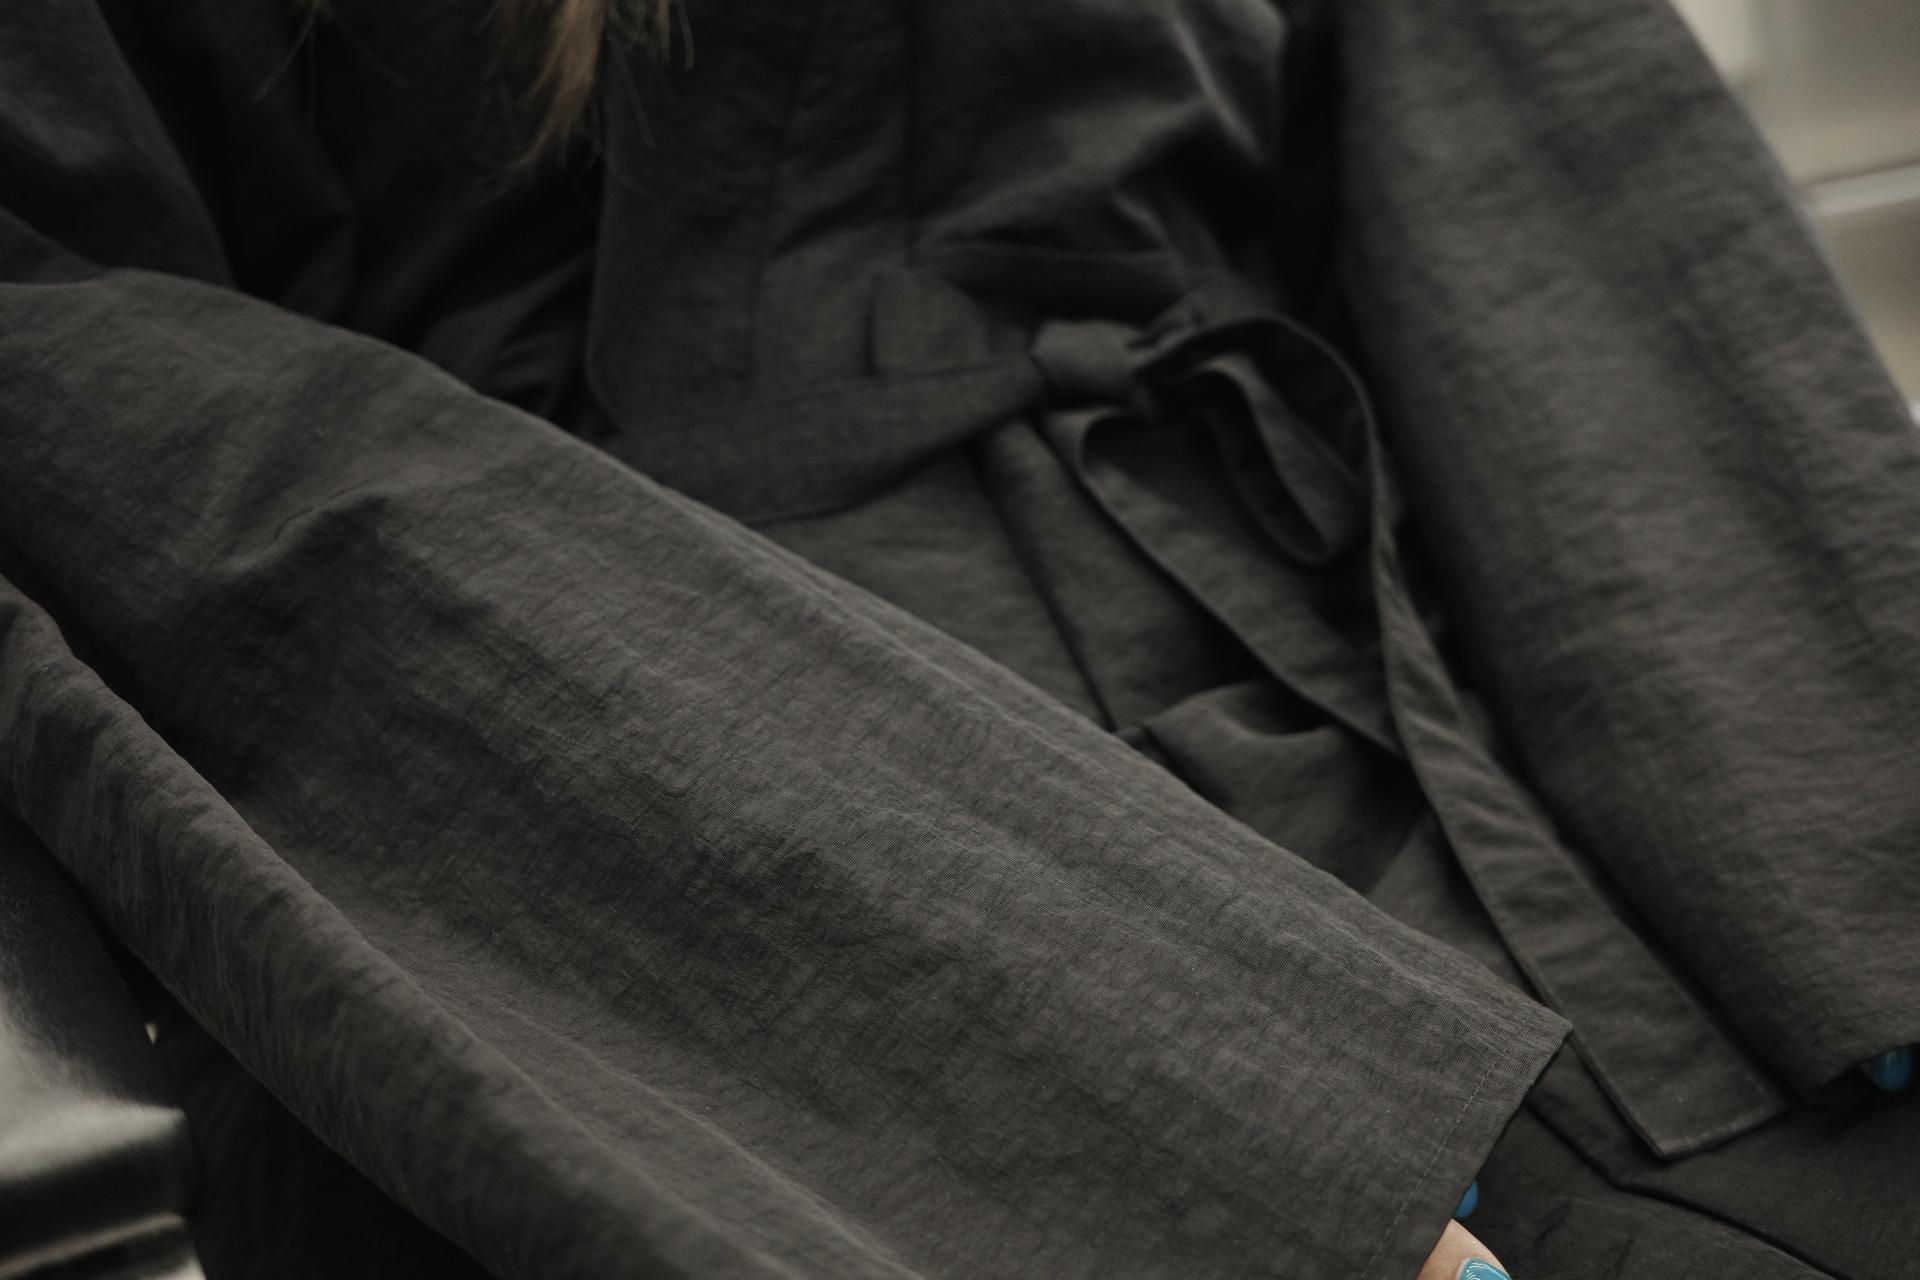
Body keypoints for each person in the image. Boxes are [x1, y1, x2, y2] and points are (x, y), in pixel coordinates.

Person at [1, 1, 1915, 1278]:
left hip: (1433, 695)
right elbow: (92, 386)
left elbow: (1554, 139)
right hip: (636, 862)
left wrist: (1868, 874)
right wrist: (1190, 1150)